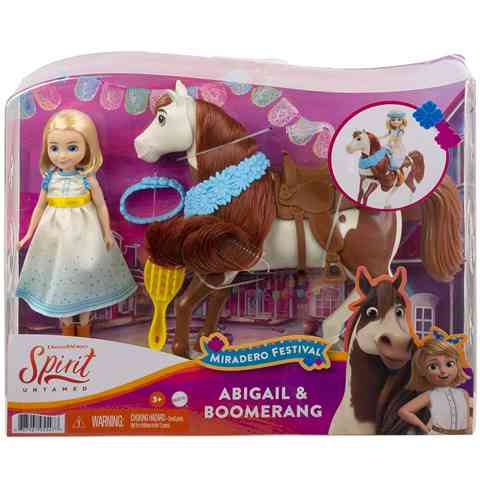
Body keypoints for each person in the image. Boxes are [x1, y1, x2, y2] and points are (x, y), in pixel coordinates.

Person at [16, 109, 137, 336]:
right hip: (54, 236)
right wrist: (28, 235)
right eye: (54, 148)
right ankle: (66, 325)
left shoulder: (87, 178)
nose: (62, 156)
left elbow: (100, 205)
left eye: (72, 148)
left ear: (87, 147)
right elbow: (40, 207)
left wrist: (107, 233)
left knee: (84, 277)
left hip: (85, 234)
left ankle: (84, 325)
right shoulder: (50, 178)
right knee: (59, 277)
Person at [398, 336, 472, 434]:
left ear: (457, 365)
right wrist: (424, 427)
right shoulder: (430, 395)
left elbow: (467, 419)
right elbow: (404, 411)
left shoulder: (463, 393)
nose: (443, 371)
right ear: (422, 371)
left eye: (449, 364)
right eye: (433, 366)